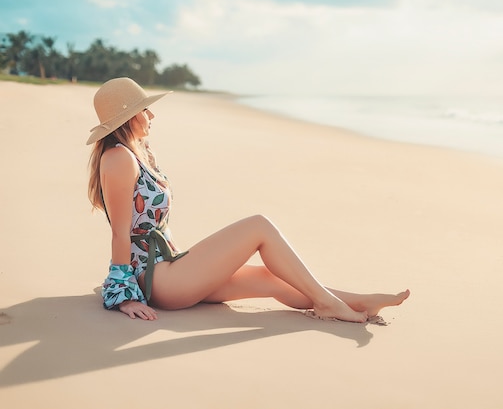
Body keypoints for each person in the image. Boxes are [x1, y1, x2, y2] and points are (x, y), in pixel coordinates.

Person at [86, 77, 410, 322]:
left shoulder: (138, 154)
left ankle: (358, 301)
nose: (152, 115)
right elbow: (120, 232)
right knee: (259, 226)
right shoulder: (118, 158)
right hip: (157, 279)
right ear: (129, 116)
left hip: (171, 265)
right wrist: (123, 295)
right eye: (145, 109)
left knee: (270, 278)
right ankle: (329, 304)